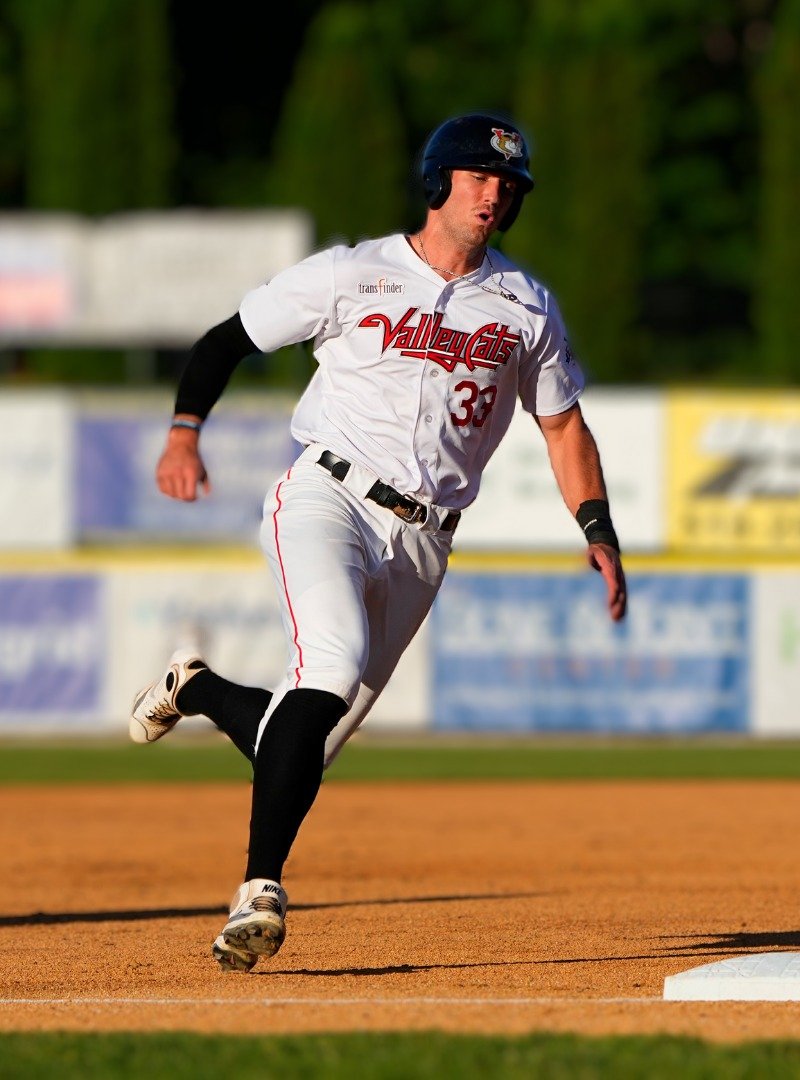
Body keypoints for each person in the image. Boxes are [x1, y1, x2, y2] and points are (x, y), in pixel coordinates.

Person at [129, 113, 628, 973]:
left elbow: (564, 428)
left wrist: (599, 528)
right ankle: (260, 891)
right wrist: (183, 432)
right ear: (439, 182)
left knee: (308, 737)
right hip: (329, 494)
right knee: (328, 668)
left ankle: (199, 688)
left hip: (426, 541)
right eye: (478, 176)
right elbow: (227, 340)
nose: (495, 192)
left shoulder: (525, 306)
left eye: (508, 184)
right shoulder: (353, 274)